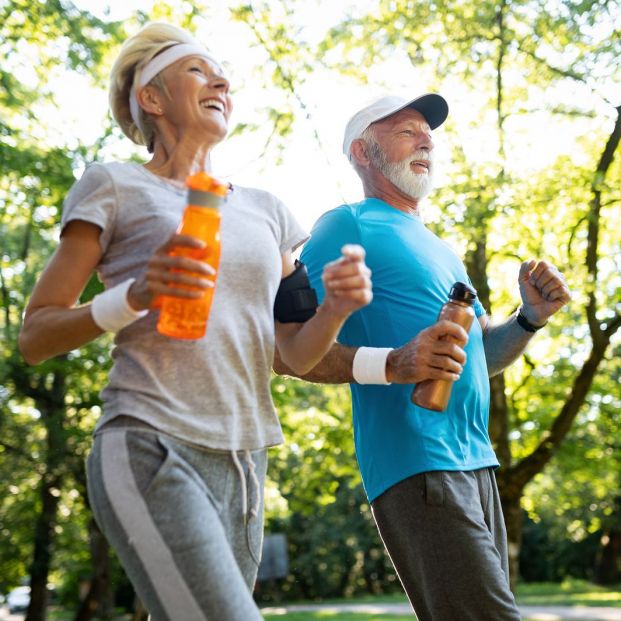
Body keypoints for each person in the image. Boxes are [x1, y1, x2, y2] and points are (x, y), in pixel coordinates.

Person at [18, 22, 372, 621]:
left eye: (221, 74)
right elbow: (35, 335)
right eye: (198, 70)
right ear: (150, 99)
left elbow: (292, 353)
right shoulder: (114, 184)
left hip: (244, 459)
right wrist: (134, 295)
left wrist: (336, 309)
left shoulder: (267, 212)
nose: (222, 81)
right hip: (149, 442)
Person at [274, 93, 571, 620]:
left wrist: (529, 317)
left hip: (477, 462)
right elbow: (286, 348)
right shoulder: (346, 225)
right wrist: (393, 363)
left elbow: (478, 354)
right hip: (417, 461)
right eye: (407, 131)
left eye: (427, 133)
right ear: (363, 152)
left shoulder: (439, 245)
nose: (427, 140)